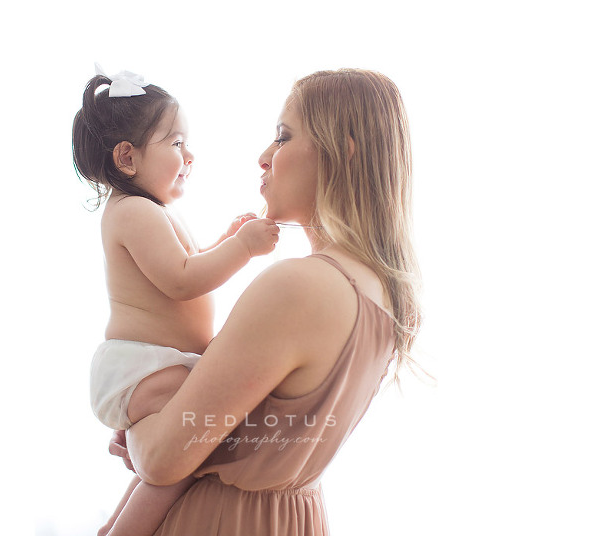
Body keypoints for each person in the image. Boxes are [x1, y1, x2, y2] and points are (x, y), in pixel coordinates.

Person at [110, 68, 422, 535]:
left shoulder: (300, 287)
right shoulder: (382, 294)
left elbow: (159, 458)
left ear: (344, 151)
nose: (263, 157)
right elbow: (256, 434)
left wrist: (139, 431)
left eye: (283, 137)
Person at [72, 66, 280, 536]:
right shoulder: (134, 212)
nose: (190, 155)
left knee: (176, 450)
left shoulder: (151, 211)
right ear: (127, 157)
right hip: (143, 366)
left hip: (154, 363)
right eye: (175, 143)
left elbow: (188, 266)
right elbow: (183, 281)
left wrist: (223, 242)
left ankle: (112, 526)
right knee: (186, 445)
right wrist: (242, 247)